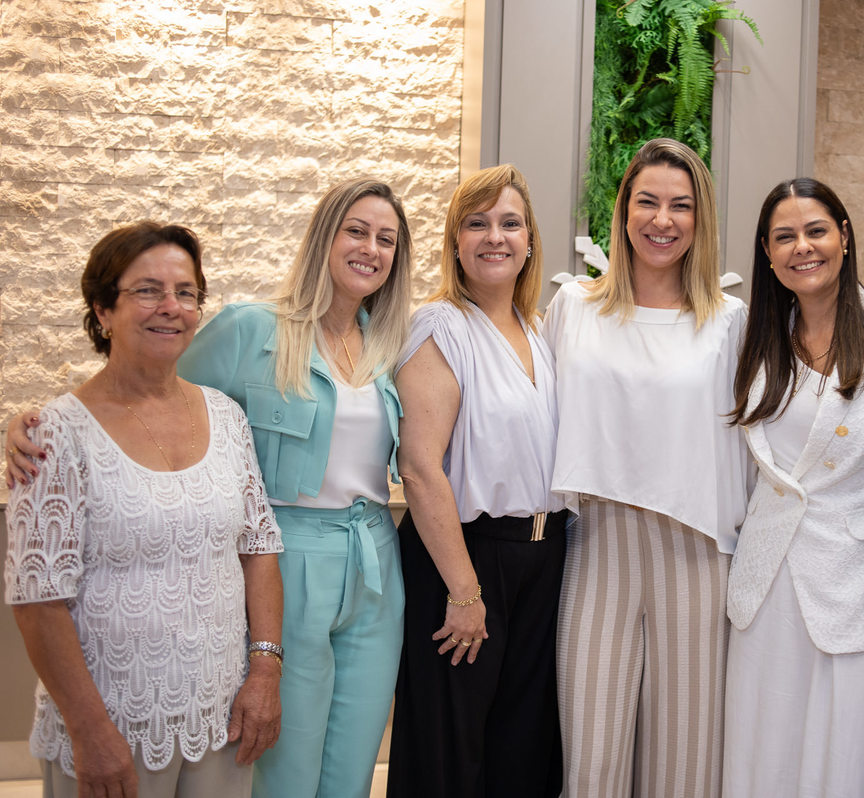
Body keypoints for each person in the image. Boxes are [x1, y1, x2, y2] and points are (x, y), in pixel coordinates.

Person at [7, 178, 413, 798]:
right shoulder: (251, 329)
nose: (371, 248)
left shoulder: (393, 342)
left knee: (355, 760)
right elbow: (147, 382)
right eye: (355, 230)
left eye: (386, 239)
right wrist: (36, 422)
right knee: (285, 763)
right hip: (292, 553)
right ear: (323, 238)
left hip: (374, 555)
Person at [4, 222, 284, 798]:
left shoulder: (227, 417)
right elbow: (38, 601)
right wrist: (89, 731)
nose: (170, 307)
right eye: (148, 290)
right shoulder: (55, 433)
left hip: (221, 718)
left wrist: (264, 670)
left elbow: (259, 549)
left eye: (185, 292)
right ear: (103, 310)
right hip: (111, 724)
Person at [545, 138, 750, 798]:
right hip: (596, 545)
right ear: (623, 209)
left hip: (698, 554)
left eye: (681, 205)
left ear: (701, 218)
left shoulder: (730, 322)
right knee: (591, 761)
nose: (663, 220)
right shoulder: (572, 307)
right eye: (648, 201)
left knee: (685, 767)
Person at [722, 178, 864, 798]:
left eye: (816, 231)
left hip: (859, 577)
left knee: (850, 750)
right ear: (766, 252)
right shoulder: (755, 341)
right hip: (768, 580)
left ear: (845, 237)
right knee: (765, 745)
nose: (802, 247)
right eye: (784, 237)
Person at [387, 164, 566, 797]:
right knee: (449, 754)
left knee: (523, 750)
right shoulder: (440, 326)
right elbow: (420, 468)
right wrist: (465, 592)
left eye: (510, 223)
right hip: (464, 557)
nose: (495, 236)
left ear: (530, 241)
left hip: (543, 558)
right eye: (477, 223)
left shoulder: (539, 330)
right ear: (455, 242)